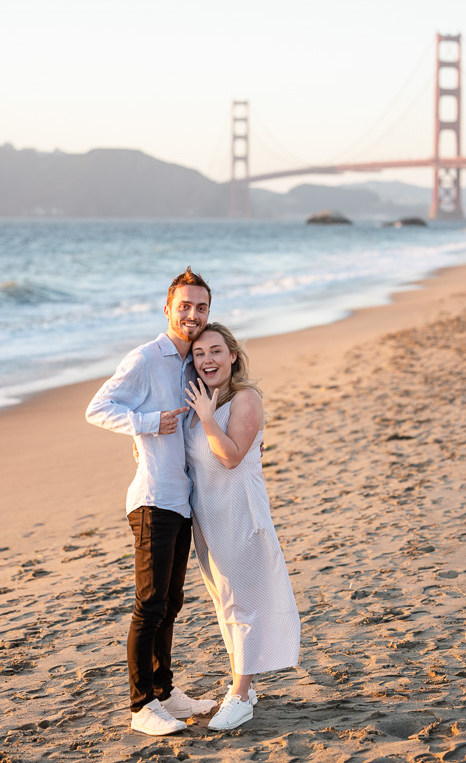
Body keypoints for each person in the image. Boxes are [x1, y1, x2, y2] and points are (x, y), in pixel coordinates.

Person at [85, 267, 217, 736]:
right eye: (185, 306)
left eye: (201, 307)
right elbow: (97, 408)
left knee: (171, 601)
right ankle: (142, 706)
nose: (193, 314)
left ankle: (165, 691)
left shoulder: (192, 363)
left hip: (181, 501)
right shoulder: (146, 357)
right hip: (151, 501)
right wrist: (147, 421)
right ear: (168, 308)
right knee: (149, 604)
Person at [184, 322, 301, 731]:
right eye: (199, 354)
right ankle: (244, 686)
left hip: (240, 512)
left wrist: (207, 419)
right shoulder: (201, 400)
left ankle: (239, 696)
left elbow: (231, 457)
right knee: (226, 603)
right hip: (210, 517)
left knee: (244, 603)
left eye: (215, 351)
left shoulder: (244, 399)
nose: (208, 360)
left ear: (233, 355)